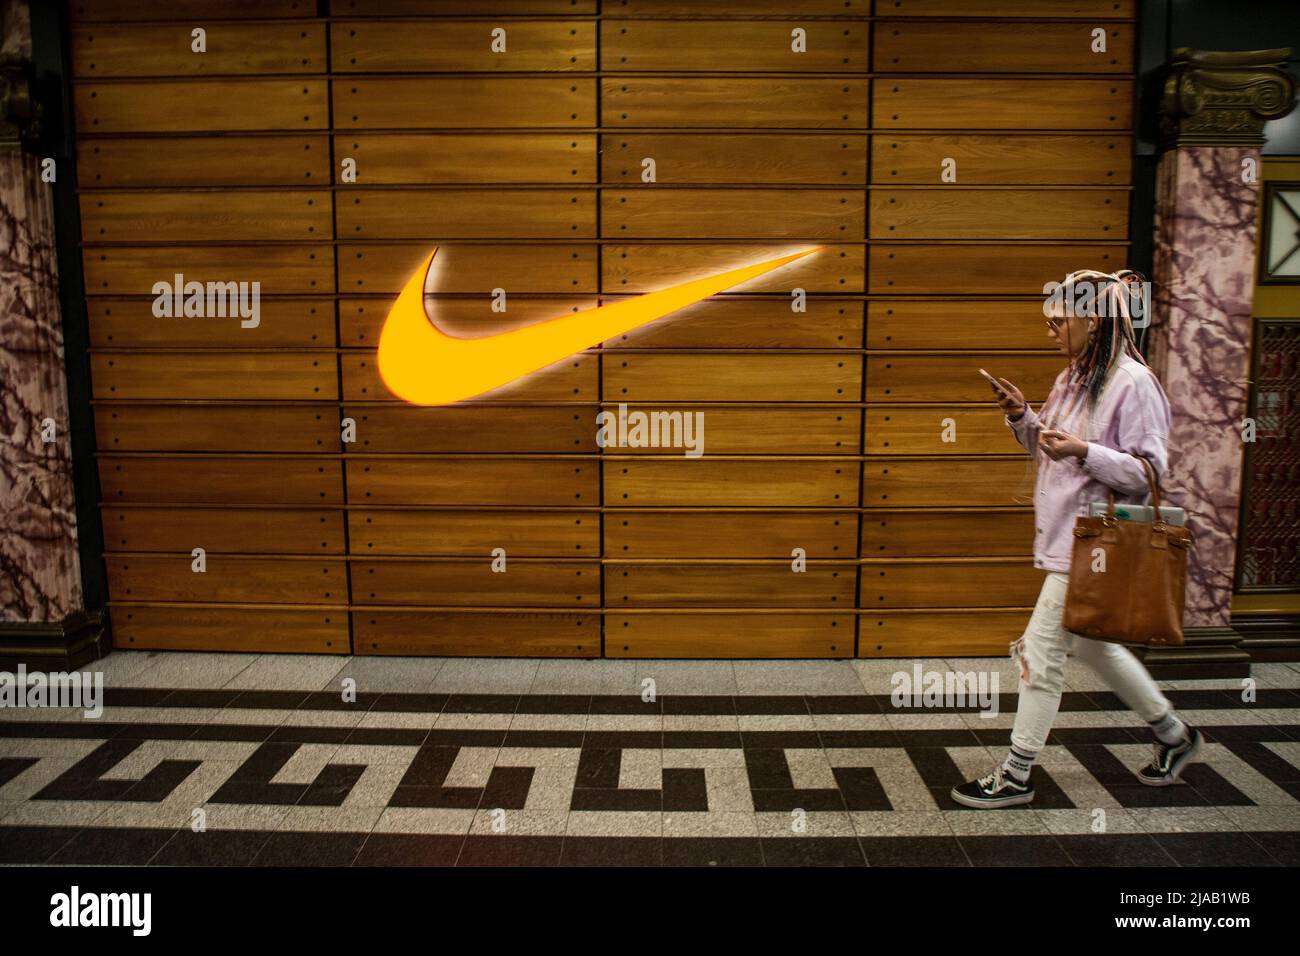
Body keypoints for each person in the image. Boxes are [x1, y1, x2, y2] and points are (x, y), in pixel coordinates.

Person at [951, 269, 1203, 809]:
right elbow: (1052, 448)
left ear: (1093, 319)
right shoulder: (1074, 377)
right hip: (1072, 540)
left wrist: (1085, 452)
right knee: (1093, 645)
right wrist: (1023, 417)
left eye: (1057, 321)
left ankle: (1017, 774)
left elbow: (1150, 471)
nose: (1050, 331)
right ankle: (1175, 736)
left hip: (1093, 547)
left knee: (1040, 655)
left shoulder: (1133, 383)